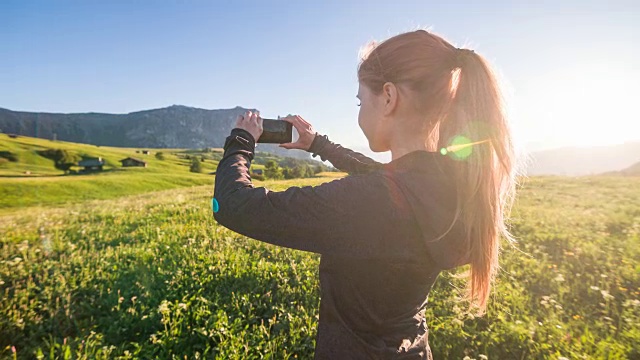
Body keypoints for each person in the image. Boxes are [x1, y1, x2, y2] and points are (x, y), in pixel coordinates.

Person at [212, 29, 516, 360]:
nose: (359, 111)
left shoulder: (366, 203)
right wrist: (319, 145)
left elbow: (232, 205)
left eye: (360, 100)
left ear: (388, 97)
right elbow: (386, 179)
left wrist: (242, 140)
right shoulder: (449, 185)